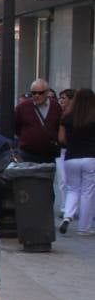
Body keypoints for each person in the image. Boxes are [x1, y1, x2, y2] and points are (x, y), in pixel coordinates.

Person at [59, 88, 95, 236]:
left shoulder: (67, 117)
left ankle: (67, 216)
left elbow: (61, 139)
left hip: (71, 157)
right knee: (88, 192)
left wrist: (71, 144)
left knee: (73, 189)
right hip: (90, 157)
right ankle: (84, 227)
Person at [15, 78, 61, 162]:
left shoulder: (56, 107)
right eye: (33, 93)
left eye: (40, 93)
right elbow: (16, 126)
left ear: (47, 92)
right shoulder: (22, 107)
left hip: (49, 154)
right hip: (28, 153)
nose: (37, 95)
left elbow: (58, 127)